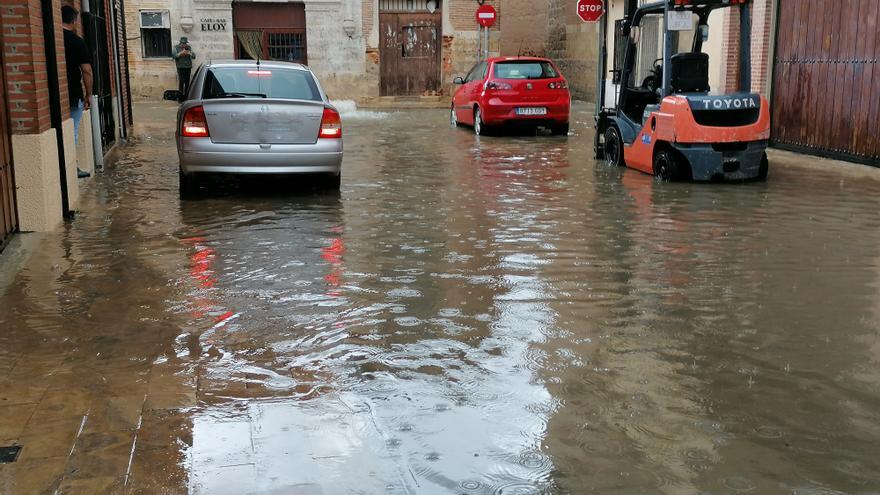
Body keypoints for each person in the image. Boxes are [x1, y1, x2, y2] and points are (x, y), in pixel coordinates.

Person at [61, 5, 93, 179]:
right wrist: (89, 94)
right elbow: (87, 70)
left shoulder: (53, 38)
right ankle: (70, 169)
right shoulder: (77, 41)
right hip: (73, 93)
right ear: (74, 21)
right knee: (71, 133)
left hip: (56, 93)